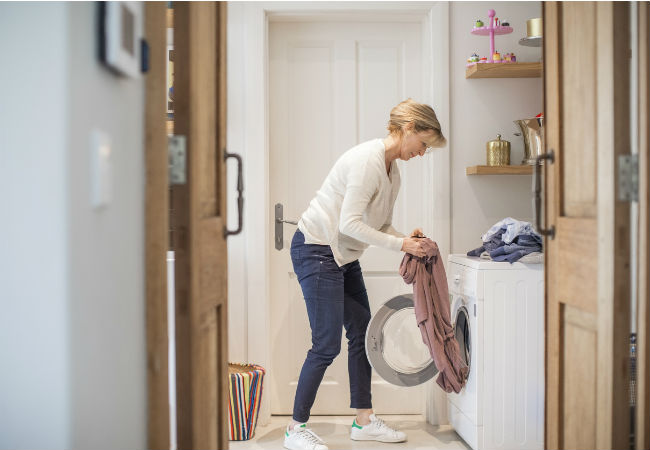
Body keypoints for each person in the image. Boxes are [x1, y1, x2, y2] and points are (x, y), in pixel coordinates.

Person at [283, 99, 447, 450]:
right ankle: (295, 429)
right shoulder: (366, 162)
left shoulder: (393, 171)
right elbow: (349, 224)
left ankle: (364, 421)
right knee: (325, 344)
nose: (423, 153)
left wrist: (406, 238)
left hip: (343, 254)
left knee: (364, 334)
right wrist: (402, 244)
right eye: (424, 144)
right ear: (408, 129)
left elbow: (379, 223)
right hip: (317, 247)